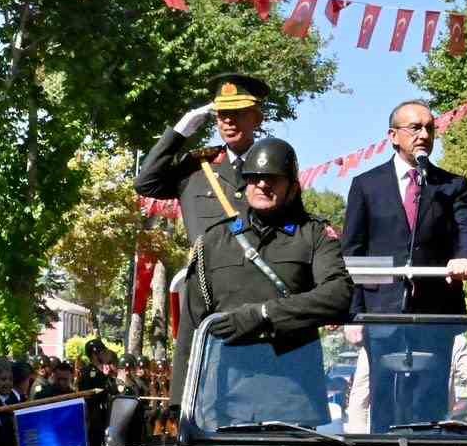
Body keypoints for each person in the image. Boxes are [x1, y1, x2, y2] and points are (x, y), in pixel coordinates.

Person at [171, 136, 355, 420]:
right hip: (223, 397)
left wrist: (264, 314)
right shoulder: (214, 240)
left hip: (293, 395)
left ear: (292, 187)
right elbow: (192, 326)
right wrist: (179, 402)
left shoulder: (314, 235)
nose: (262, 185)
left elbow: (338, 294)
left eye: (273, 179)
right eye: (254, 178)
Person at [342, 99, 467, 431]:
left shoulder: (451, 186)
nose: (424, 135)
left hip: (435, 311)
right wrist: (354, 314)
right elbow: (354, 250)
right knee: (384, 397)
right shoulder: (367, 184)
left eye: (430, 128)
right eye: (415, 128)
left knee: (430, 399)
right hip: (381, 311)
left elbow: (465, 232)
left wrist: (465, 257)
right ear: (393, 135)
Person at [135, 73, 270, 247]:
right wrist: (179, 133)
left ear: (257, 119)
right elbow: (146, 184)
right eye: (222, 114)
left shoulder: (273, 167)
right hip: (206, 265)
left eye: (237, 112)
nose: (228, 120)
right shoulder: (196, 167)